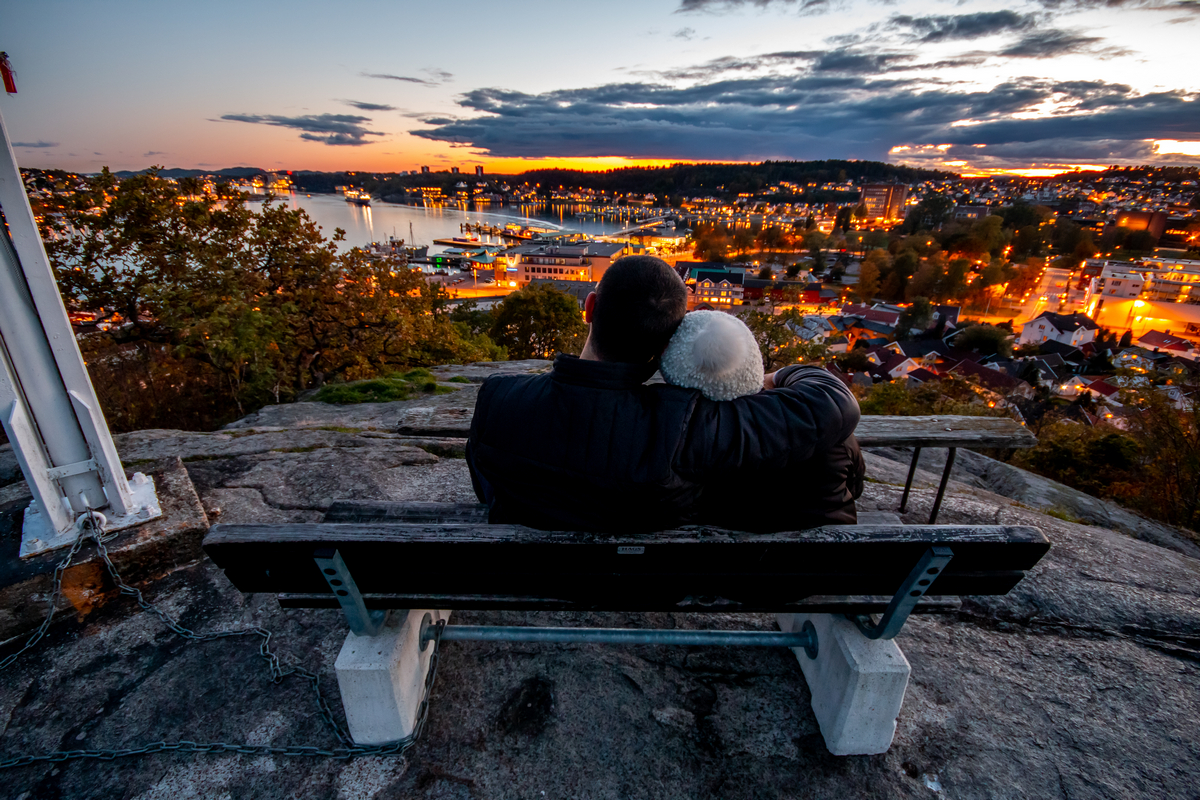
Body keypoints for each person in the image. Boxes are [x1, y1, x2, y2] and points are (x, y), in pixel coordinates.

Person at [466, 255, 864, 533]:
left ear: (589, 307)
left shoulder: (499, 400)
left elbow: (487, 489)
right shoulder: (685, 424)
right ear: (671, 338)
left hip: (532, 573)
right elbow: (833, 405)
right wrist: (780, 375)